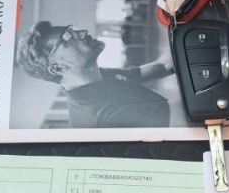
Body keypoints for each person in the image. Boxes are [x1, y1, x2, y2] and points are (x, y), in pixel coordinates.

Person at [16, 21, 177, 128]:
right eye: (68, 38)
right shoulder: (101, 116)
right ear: (58, 68)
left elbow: (163, 66)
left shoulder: (97, 77)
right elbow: (185, 115)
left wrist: (179, 22)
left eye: (71, 30)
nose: (83, 32)